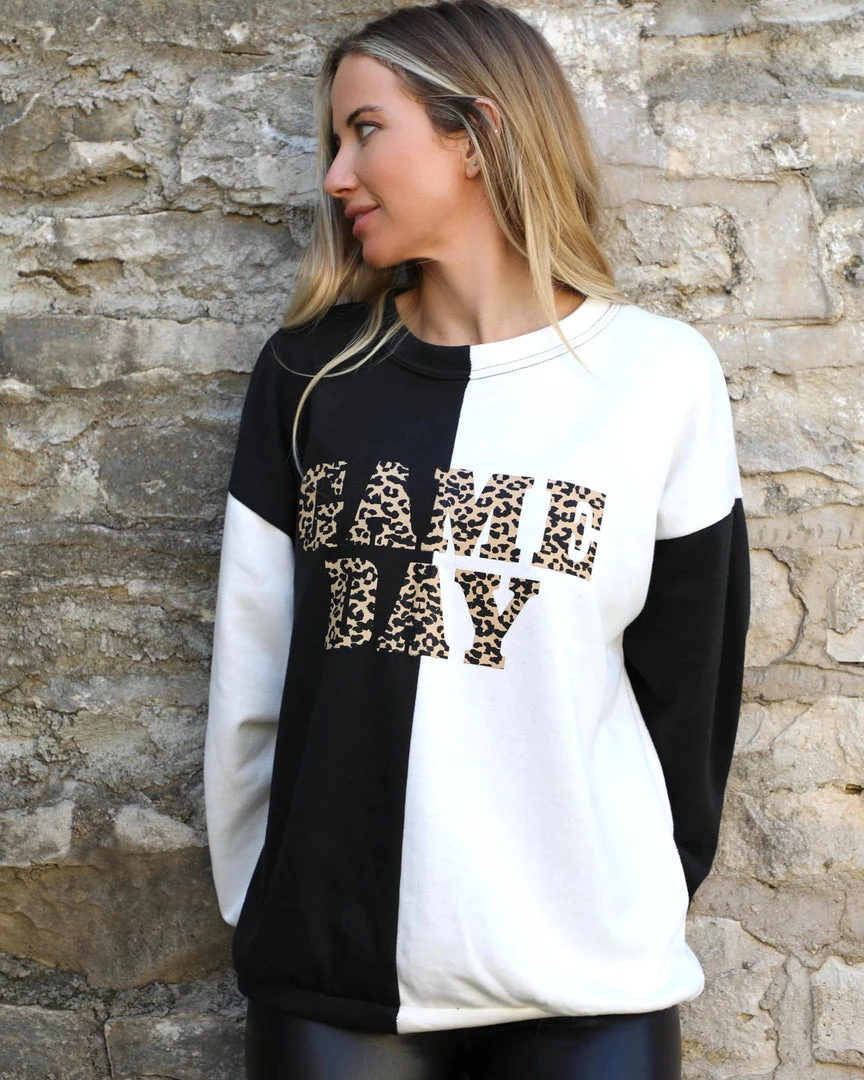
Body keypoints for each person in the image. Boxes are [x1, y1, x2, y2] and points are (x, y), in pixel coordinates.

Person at [204, 1, 750, 1077]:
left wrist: (631, 902)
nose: (336, 176)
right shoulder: (309, 377)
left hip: (590, 985)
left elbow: (694, 694)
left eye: (366, 130)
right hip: (337, 981)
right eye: (334, 140)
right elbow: (251, 672)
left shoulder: (659, 376)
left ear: (474, 134)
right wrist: (275, 906)